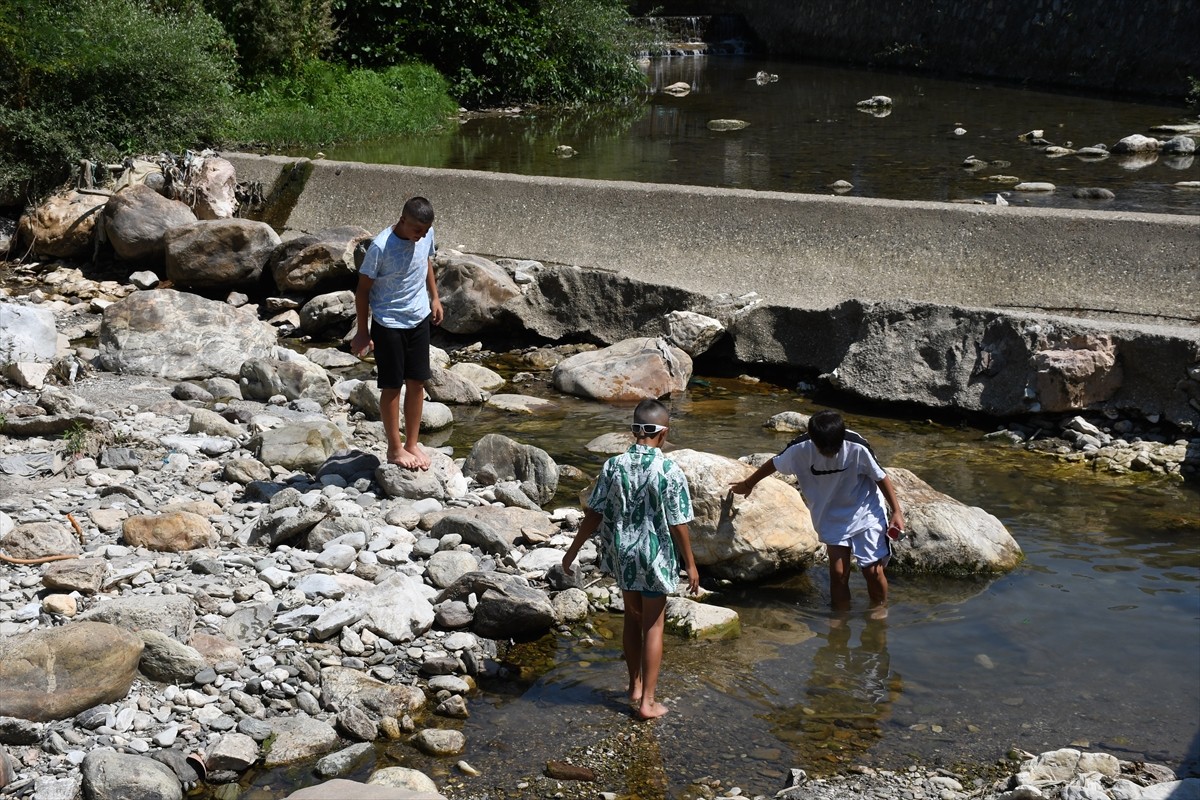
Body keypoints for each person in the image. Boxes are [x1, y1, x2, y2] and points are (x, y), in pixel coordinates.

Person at [562, 399, 701, 720]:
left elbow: (593, 513)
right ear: (663, 434)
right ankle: (648, 703)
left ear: (634, 431)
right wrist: (690, 564)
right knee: (654, 625)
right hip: (654, 557)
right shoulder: (669, 469)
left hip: (623, 554)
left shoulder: (613, 466)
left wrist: (572, 550)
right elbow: (678, 522)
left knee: (631, 619)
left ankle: (634, 686)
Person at [729, 409, 904, 613]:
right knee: (838, 574)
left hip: (864, 510)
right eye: (825, 448)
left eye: (834, 447)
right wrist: (749, 484)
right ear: (812, 439)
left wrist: (896, 511)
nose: (830, 452)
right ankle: (840, 621)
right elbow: (774, 464)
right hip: (829, 515)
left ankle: (879, 612)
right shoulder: (799, 449)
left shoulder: (857, 446)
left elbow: (880, 477)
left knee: (872, 570)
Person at [351, 197, 444, 470]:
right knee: (392, 386)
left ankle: (412, 443)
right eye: (417, 231)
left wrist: (434, 298)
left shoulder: (425, 235)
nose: (421, 236)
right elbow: (363, 290)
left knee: (417, 382)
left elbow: (426, 261)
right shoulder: (380, 246)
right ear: (403, 220)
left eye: (425, 231)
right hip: (389, 322)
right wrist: (361, 332)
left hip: (418, 318)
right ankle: (394, 449)